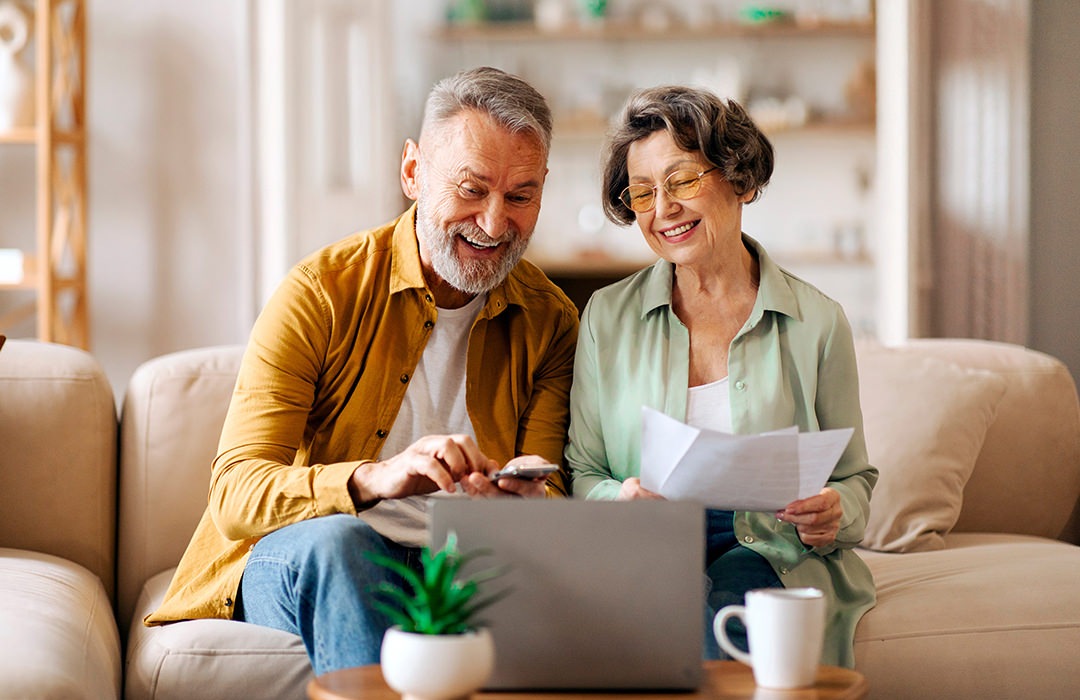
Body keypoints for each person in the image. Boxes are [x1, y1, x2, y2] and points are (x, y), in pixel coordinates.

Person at [146, 66, 580, 675]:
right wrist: (375, 479)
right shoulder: (321, 292)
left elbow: (549, 491)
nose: (493, 222)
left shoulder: (552, 322)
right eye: (471, 188)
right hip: (317, 551)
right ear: (412, 173)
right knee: (343, 545)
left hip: (455, 565)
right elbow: (236, 494)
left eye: (520, 195)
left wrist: (520, 504)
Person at [564, 85, 876, 667]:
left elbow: (855, 478)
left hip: (764, 546)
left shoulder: (818, 321)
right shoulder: (606, 316)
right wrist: (619, 498)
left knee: (721, 625)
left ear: (740, 180)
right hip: (649, 544)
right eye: (642, 193)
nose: (662, 210)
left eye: (682, 181)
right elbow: (583, 470)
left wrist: (835, 510)